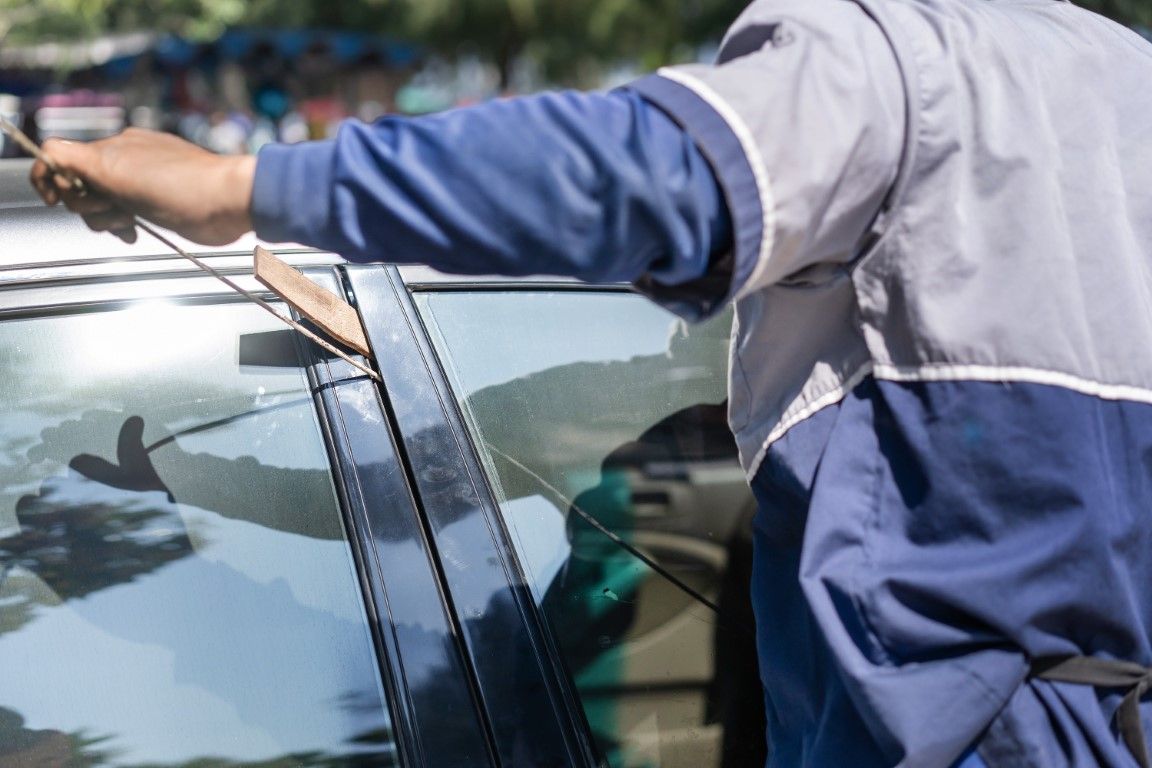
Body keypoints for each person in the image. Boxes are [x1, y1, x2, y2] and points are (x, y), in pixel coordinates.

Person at [28, 0, 1152, 765]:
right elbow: (418, 453)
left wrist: (238, 184)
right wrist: (192, 472)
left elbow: (647, 175)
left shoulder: (903, 61)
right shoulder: (1122, 84)